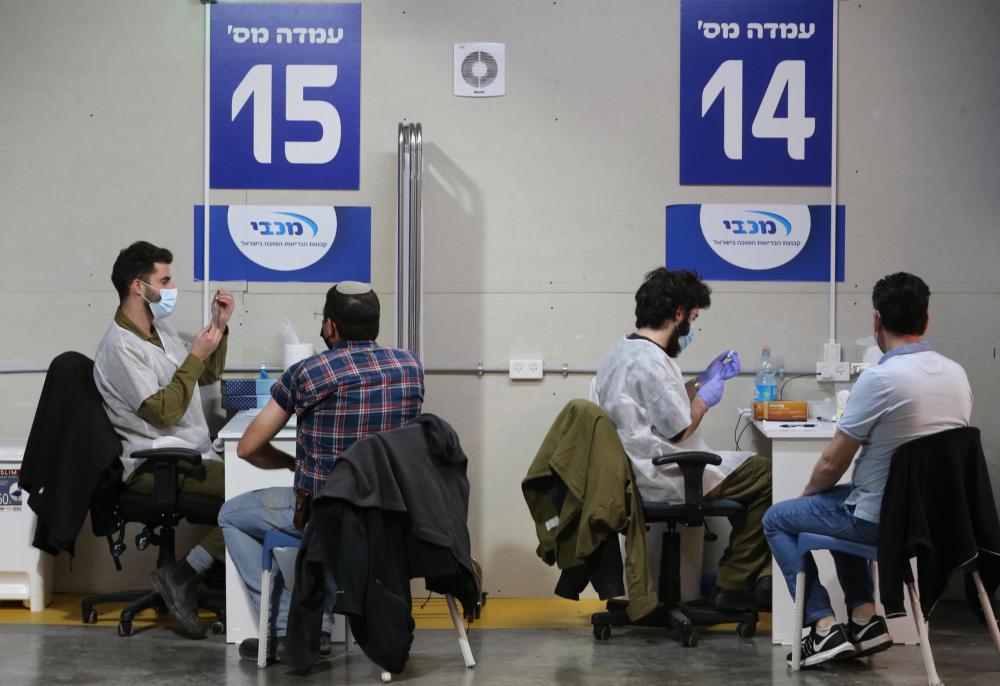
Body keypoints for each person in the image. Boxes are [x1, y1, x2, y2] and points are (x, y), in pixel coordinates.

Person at [763, 272, 973, 668]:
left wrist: (809, 496)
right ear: (926, 320)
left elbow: (832, 462)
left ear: (876, 318)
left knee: (777, 519)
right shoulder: (956, 375)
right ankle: (864, 620)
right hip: (934, 525)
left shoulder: (881, 378)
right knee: (844, 503)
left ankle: (823, 626)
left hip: (884, 524)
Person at [218, 282, 424, 664]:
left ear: (330, 326)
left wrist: (289, 463)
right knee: (334, 511)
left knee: (231, 515)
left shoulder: (307, 373)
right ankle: (321, 625)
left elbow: (247, 447)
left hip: (325, 516)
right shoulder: (410, 368)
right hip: (390, 517)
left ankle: (286, 629)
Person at [591, 267, 773, 610]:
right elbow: (679, 428)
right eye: (692, 318)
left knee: (750, 476)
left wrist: (703, 379)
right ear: (678, 314)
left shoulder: (620, 353)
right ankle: (734, 583)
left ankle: (746, 578)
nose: (691, 328)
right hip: (665, 474)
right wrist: (704, 399)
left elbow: (659, 406)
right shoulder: (652, 361)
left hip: (633, 471)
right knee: (768, 476)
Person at [93, 240, 234, 637]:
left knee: (262, 487)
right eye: (166, 280)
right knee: (252, 495)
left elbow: (205, 375)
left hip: (191, 455)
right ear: (139, 287)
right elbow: (163, 411)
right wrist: (195, 356)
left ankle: (194, 573)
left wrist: (219, 328)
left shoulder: (160, 331)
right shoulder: (120, 347)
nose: (172, 289)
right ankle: (187, 574)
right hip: (158, 465)